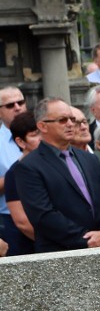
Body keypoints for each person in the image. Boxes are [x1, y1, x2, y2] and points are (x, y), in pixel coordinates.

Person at [16, 98, 100, 252]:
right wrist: (87, 239)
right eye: (63, 120)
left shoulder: (90, 158)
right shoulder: (29, 166)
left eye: (71, 119)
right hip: (61, 252)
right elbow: (43, 215)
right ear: (42, 126)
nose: (71, 124)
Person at [3, 111, 39, 255]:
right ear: (20, 142)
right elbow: (22, 223)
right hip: (31, 248)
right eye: (34, 134)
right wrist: (53, 241)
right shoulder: (14, 173)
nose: (42, 139)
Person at [0, 86, 28, 240]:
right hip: (9, 221)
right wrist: (17, 173)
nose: (18, 108)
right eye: (10, 105)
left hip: (47, 215)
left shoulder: (44, 135)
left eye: (21, 102)